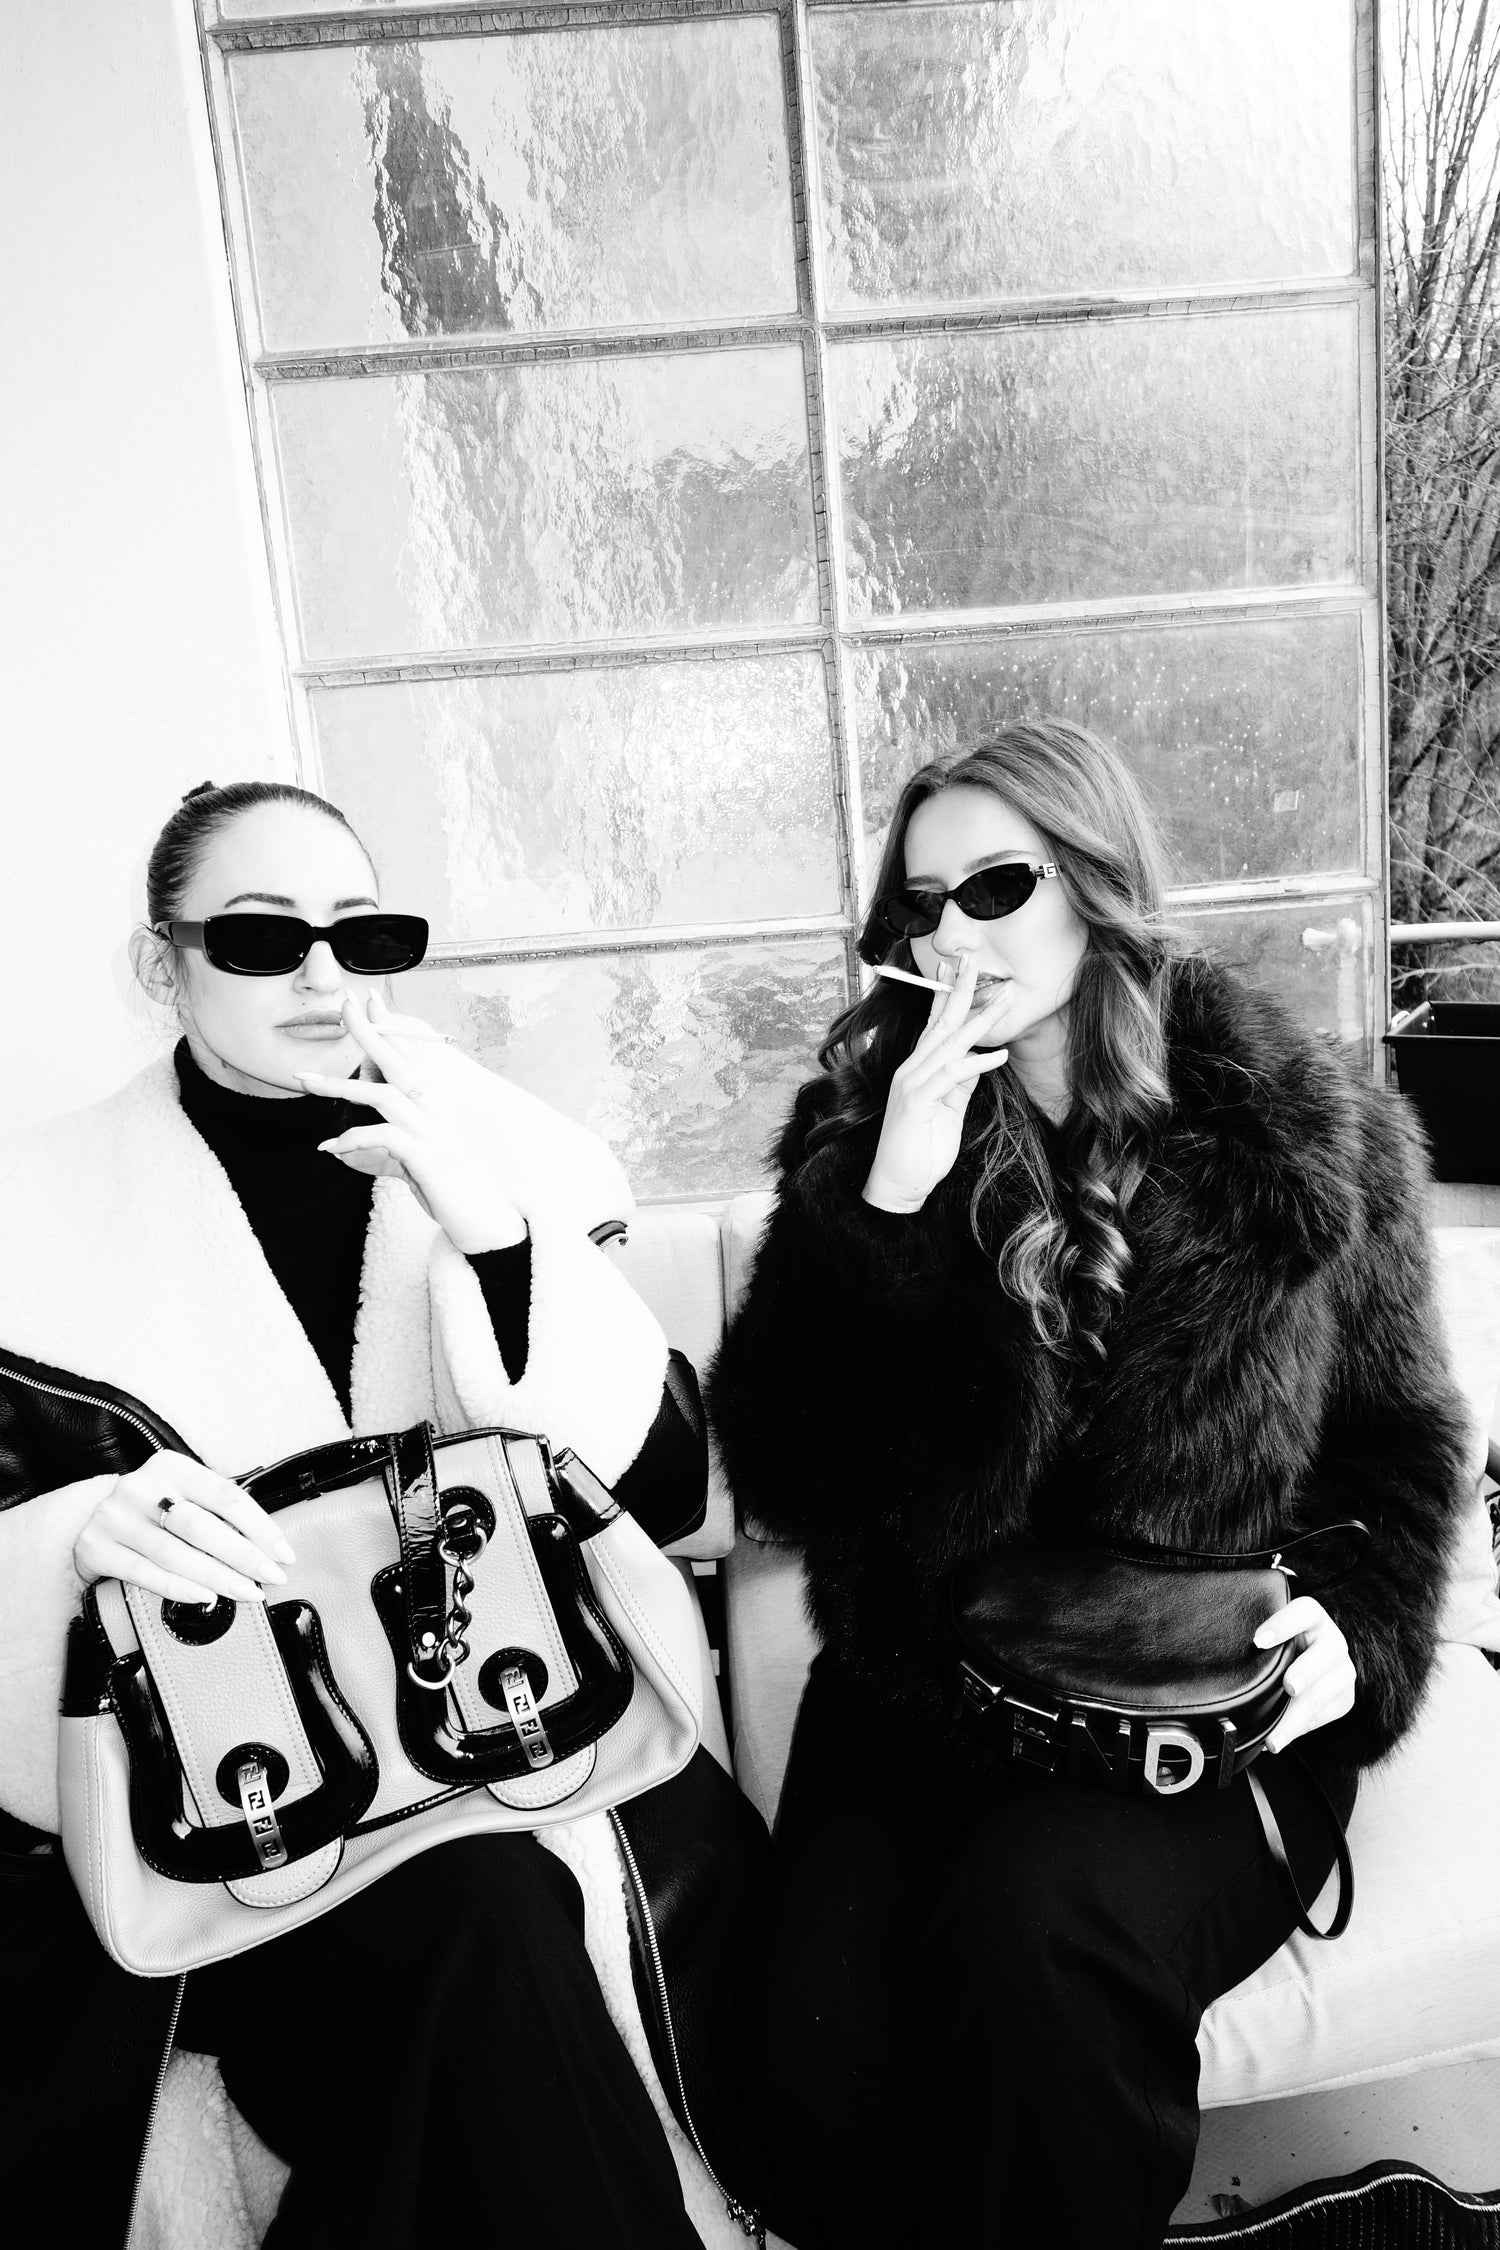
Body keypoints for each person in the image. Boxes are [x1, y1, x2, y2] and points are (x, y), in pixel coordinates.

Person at [707, 724, 1472, 2250]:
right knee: (810, 2070)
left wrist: (1359, 1626)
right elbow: (783, 1468)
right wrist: (887, 1201)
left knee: (1031, 1934)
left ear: (1098, 883)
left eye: (996, 886)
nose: (954, 935)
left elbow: (1399, 1443)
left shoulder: (1308, 1131)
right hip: (927, 1682)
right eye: (918, 904)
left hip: (1203, 1687)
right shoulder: (867, 1131)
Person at [0, 780, 715, 2250]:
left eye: (364, 934)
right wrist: (71, 1545)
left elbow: (662, 1488)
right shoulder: (33, 1224)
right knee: (484, 1920)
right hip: (232, 1827)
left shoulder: (489, 1151)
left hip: (518, 1751)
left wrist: (497, 1240)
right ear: (160, 966)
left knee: (491, 1908)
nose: (326, 976)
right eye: (263, 939)